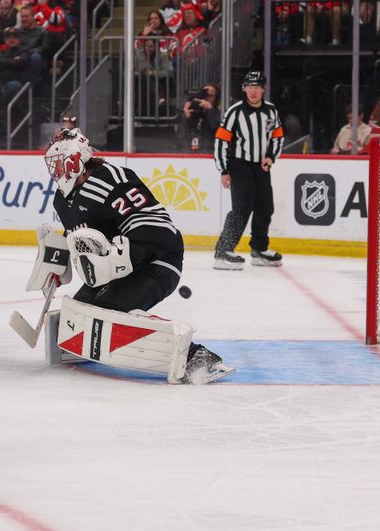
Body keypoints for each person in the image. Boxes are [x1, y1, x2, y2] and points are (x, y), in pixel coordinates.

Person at [37, 127, 233, 384]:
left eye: (60, 163)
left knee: (108, 311)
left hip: (159, 260)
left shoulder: (112, 179)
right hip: (117, 267)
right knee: (82, 313)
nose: (56, 171)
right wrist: (57, 264)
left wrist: (119, 256)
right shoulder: (62, 200)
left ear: (76, 160)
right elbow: (81, 241)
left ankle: (197, 355)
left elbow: (158, 229)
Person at [213, 71, 284, 270]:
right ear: (244, 88)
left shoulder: (271, 111)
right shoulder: (235, 111)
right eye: (249, 87)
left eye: (257, 87)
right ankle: (223, 251)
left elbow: (278, 136)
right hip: (239, 164)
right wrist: (224, 170)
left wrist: (271, 157)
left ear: (263, 89)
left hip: (261, 165)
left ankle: (259, 249)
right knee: (242, 208)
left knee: (265, 207)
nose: (253, 91)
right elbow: (221, 140)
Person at [179, 83, 219, 152]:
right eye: (204, 95)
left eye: (209, 95)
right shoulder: (194, 111)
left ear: (216, 98)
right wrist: (187, 117)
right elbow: (181, 137)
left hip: (209, 152)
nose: (205, 98)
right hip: (189, 153)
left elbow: (217, 130)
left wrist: (210, 110)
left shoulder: (218, 112)